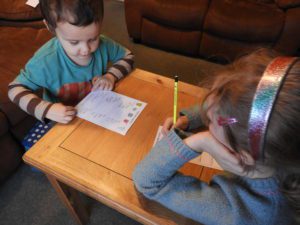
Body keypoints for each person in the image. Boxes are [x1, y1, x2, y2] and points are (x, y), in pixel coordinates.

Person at [133, 49, 300, 225]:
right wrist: (190, 118)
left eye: (210, 121)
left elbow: (145, 181)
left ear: (242, 157)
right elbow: (232, 114)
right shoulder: (284, 143)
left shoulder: (242, 214)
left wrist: (200, 142)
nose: (206, 116)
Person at [8, 0, 134, 124]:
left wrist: (110, 76)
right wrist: (47, 110)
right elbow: (15, 89)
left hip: (98, 111)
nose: (85, 50)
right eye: (74, 42)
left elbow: (128, 56)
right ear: (50, 27)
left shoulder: (104, 44)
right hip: (63, 122)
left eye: (93, 39)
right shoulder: (45, 61)